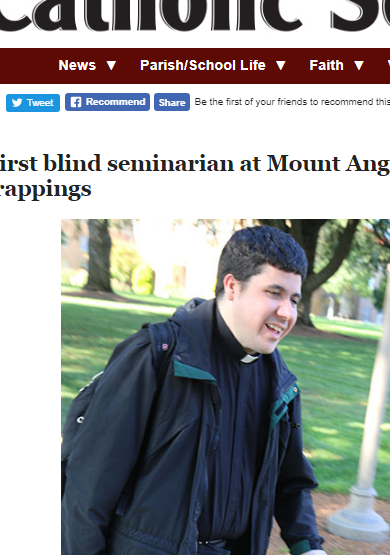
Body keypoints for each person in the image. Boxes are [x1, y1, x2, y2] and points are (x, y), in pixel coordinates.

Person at [62, 226, 327, 555]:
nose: (287, 313)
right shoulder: (156, 355)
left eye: (294, 299)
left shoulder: (281, 383)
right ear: (232, 286)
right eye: (274, 293)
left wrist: (309, 547)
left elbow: (290, 482)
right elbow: (87, 491)